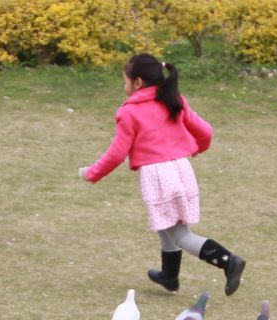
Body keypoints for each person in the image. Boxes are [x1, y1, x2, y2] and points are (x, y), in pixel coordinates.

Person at [79, 54, 246, 296]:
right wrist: (196, 148)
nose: (123, 85)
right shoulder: (172, 99)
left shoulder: (130, 112)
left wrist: (93, 173)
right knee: (166, 223)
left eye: (124, 81)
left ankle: (228, 261)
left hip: (158, 175)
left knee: (179, 233)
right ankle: (170, 275)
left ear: (138, 82)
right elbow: (205, 132)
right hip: (181, 168)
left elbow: (117, 153)